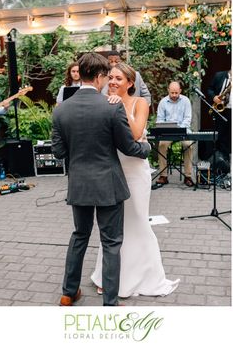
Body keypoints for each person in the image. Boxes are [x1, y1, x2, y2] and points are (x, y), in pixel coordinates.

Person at [51, 52, 151, 307]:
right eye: (106, 76)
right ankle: (110, 302)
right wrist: (147, 149)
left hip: (80, 184)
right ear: (97, 77)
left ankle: (67, 292)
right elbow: (129, 147)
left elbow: (59, 152)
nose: (108, 81)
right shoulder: (111, 106)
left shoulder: (61, 110)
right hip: (108, 184)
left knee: (79, 236)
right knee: (111, 242)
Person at [91, 62, 180, 298]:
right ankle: (107, 276)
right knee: (112, 226)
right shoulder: (102, 103)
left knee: (138, 221)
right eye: (110, 77)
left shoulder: (140, 103)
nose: (112, 82)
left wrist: (120, 106)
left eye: (119, 79)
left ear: (130, 83)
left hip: (135, 173)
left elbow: (136, 133)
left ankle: (144, 276)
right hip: (111, 169)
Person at [156, 81, 194, 187]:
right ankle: (163, 176)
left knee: (188, 145)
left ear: (180, 91)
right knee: (162, 145)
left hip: (183, 130)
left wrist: (179, 128)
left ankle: (188, 176)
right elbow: (160, 120)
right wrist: (167, 128)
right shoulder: (163, 102)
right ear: (168, 90)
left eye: (176, 93)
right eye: (172, 92)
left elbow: (187, 119)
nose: (174, 95)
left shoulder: (186, 101)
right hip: (167, 132)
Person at [207, 70, 231, 160]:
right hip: (222, 110)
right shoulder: (219, 76)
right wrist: (214, 97)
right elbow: (209, 89)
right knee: (221, 137)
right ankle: (222, 161)